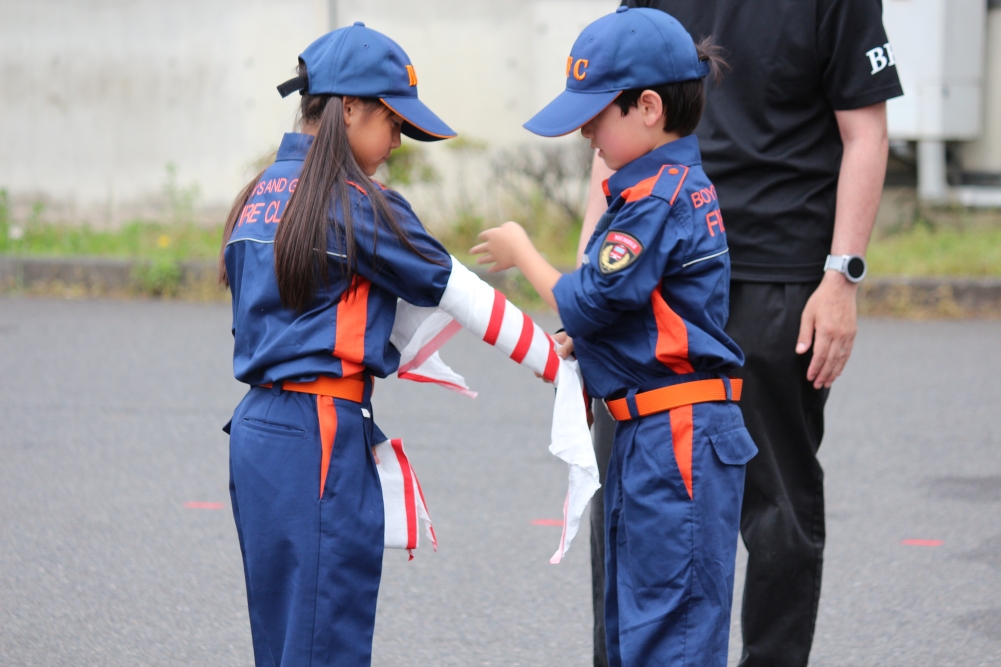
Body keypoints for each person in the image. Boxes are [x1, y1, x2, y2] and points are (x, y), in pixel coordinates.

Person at [219, 23, 561, 666]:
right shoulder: (356, 202)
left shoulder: (255, 196)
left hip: (257, 435)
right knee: (325, 641)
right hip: (319, 432)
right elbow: (457, 289)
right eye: (393, 122)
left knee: (283, 641)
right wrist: (551, 361)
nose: (398, 143)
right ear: (348, 108)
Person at [578, 2, 903, 666]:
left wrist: (840, 278)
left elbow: (864, 131)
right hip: (651, 271)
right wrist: (590, 285)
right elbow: (606, 128)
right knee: (623, 494)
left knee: (776, 505)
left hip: (777, 272)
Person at [474, 8, 757, 666]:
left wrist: (524, 251)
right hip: (650, 434)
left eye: (597, 114)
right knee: (638, 622)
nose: (584, 130)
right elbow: (640, 307)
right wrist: (590, 340)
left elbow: (596, 294)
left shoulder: (658, 196)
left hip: (676, 439)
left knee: (670, 632)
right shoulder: (652, 190)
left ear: (648, 107)